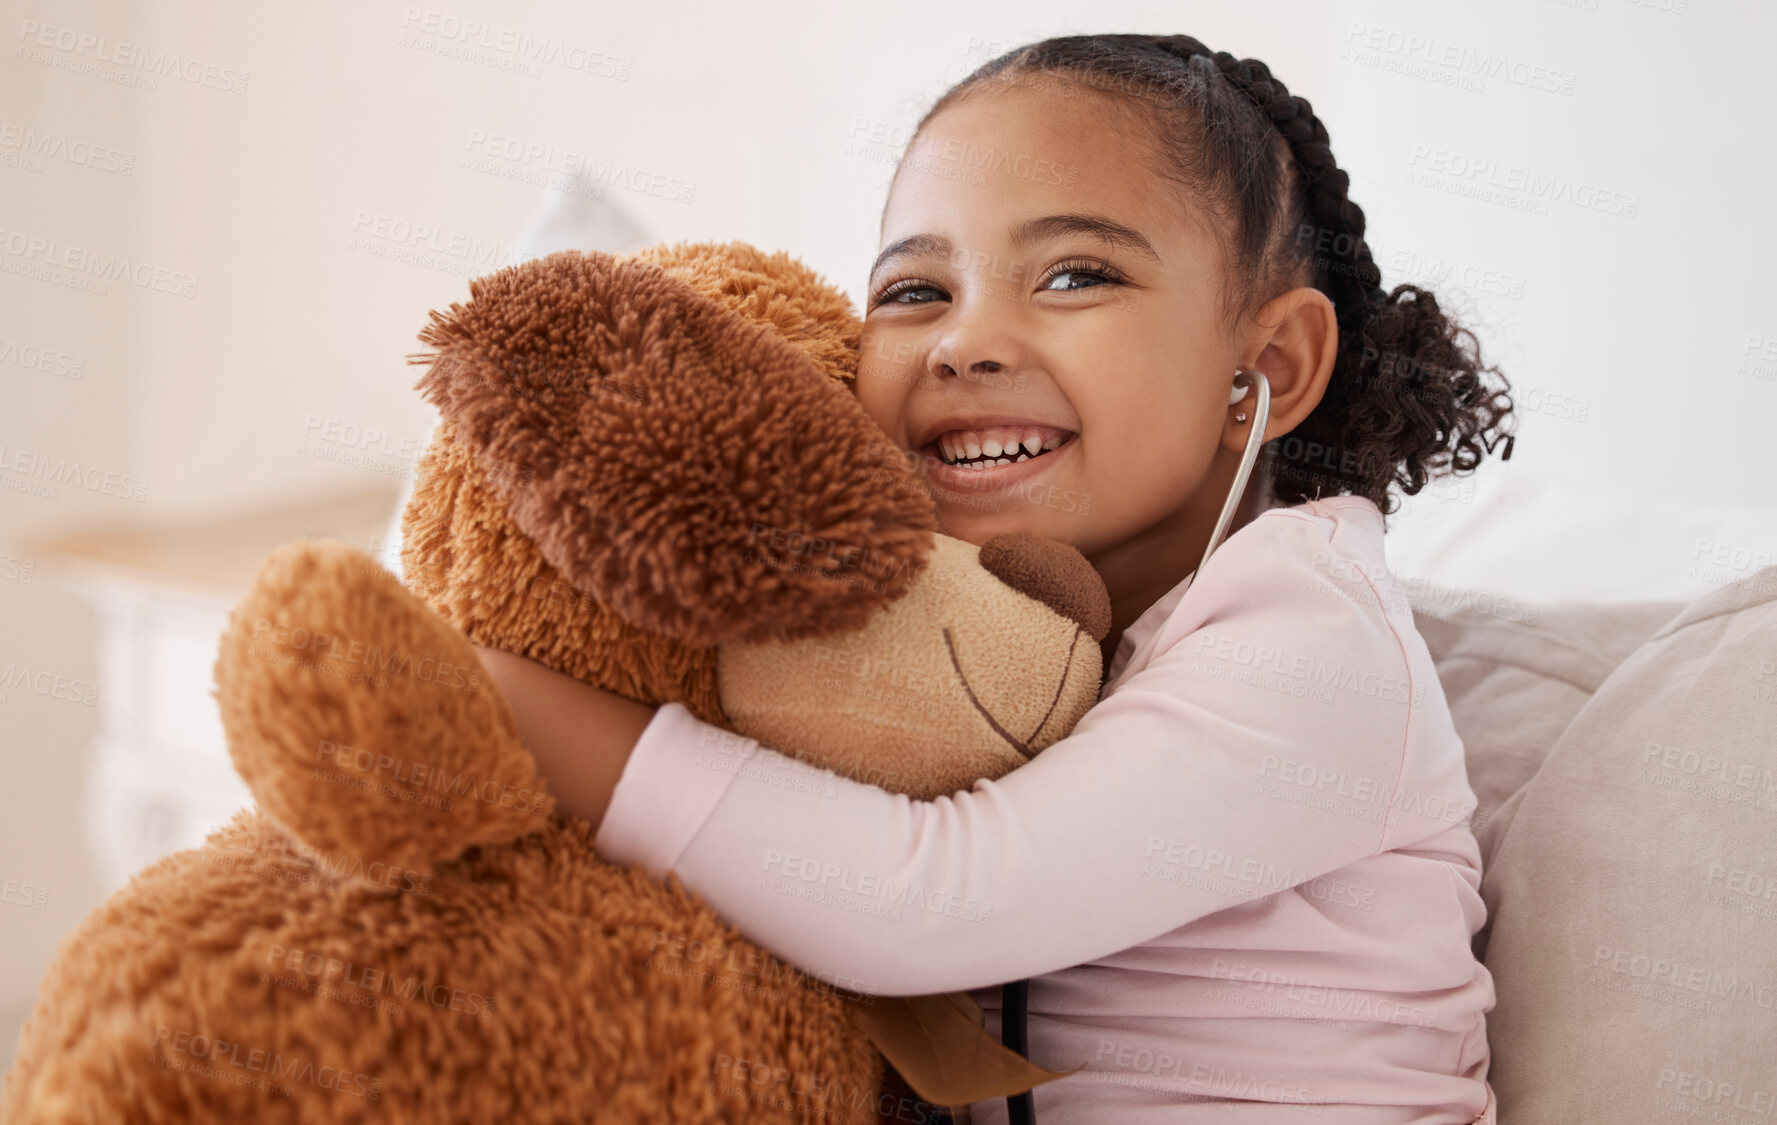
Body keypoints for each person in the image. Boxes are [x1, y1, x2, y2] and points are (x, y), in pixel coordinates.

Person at [475, 33, 1516, 1124]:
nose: (963, 343)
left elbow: (928, 903)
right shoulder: (960, 638)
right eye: (915, 289)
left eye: (1075, 274)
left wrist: (500, 694)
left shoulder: (1312, 636)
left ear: (1270, 368)